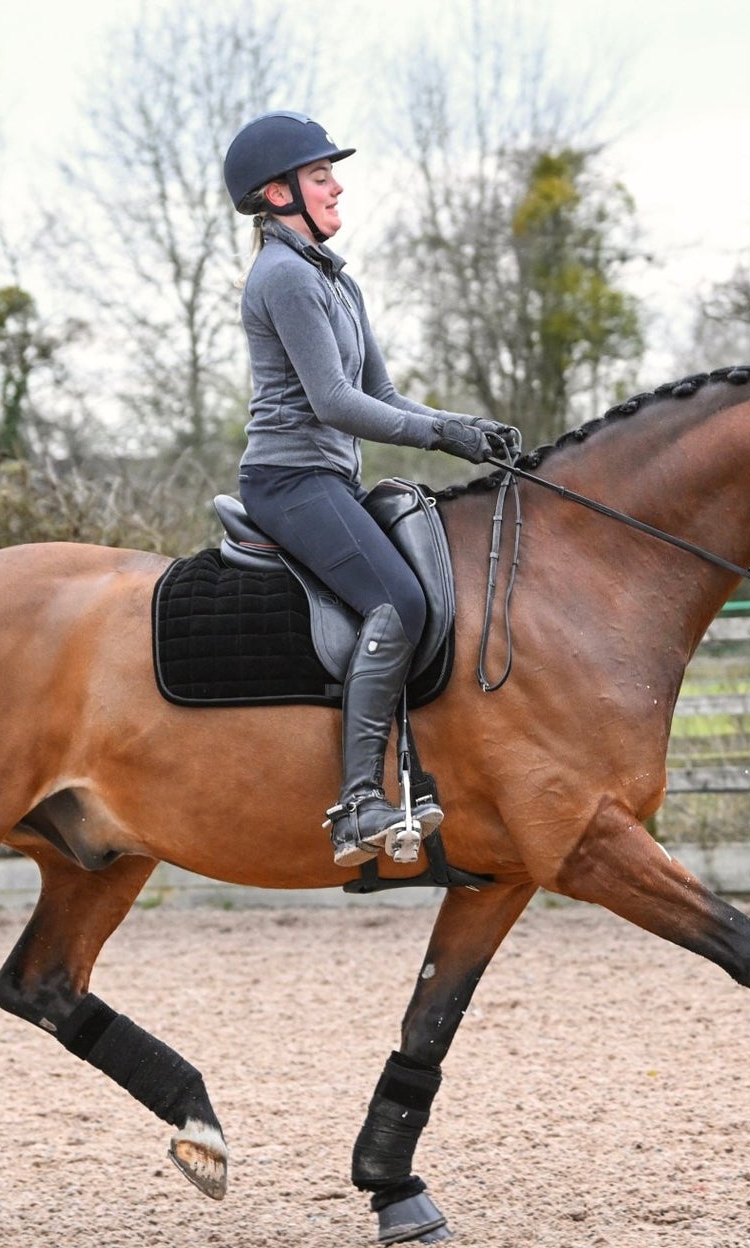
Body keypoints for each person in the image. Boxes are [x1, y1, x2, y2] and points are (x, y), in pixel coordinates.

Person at [224, 110, 519, 868]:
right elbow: (334, 402)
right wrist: (439, 436)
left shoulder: (335, 279)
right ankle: (358, 802)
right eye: (321, 175)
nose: (336, 185)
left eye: (330, 174)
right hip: (289, 479)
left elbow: (382, 390)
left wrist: (464, 426)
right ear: (276, 191)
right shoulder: (284, 275)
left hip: (329, 477)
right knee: (400, 602)